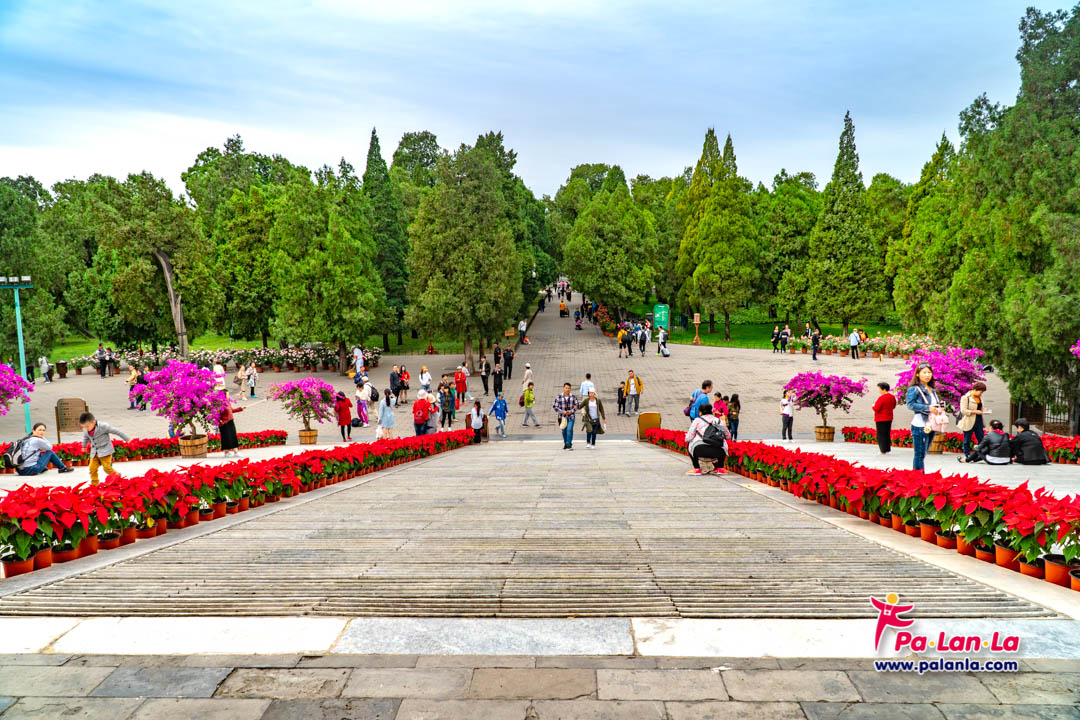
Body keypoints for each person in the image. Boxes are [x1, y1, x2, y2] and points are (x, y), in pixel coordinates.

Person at [905, 363, 944, 472]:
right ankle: (919, 477)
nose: (927, 375)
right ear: (918, 374)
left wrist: (940, 407)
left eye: (929, 372)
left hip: (931, 425)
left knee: (924, 453)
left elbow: (934, 404)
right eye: (924, 372)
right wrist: (928, 408)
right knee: (919, 453)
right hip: (920, 425)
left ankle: (917, 475)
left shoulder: (932, 389)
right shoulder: (914, 389)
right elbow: (910, 405)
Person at [79, 412, 130, 485]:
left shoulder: (103, 426)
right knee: (92, 468)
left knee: (107, 468)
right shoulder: (86, 430)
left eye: (87, 426)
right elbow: (85, 437)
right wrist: (84, 446)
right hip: (94, 452)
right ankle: (94, 484)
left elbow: (116, 431)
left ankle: (117, 476)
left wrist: (126, 438)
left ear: (94, 422)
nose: (86, 429)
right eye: (84, 427)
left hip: (105, 451)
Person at [684, 405, 730, 476]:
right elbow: (728, 437)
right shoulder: (719, 421)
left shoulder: (697, 420)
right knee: (723, 443)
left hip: (699, 449)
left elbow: (689, 438)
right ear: (711, 411)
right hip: (718, 450)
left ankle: (697, 469)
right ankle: (720, 468)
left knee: (690, 443)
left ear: (700, 412)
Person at [957, 382, 987, 457]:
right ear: (975, 390)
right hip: (969, 420)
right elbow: (963, 410)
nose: (981, 394)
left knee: (981, 438)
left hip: (979, 420)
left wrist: (984, 410)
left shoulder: (980, 398)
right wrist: (975, 412)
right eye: (980, 392)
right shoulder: (966, 398)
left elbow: (980, 407)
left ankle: (980, 454)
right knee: (967, 439)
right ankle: (967, 454)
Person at [869, 381, 897, 454]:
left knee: (881, 434)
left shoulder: (881, 398)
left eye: (879, 389)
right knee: (887, 433)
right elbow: (893, 406)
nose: (879, 390)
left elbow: (876, 408)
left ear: (884, 389)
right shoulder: (892, 397)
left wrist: (873, 406)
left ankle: (883, 450)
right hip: (889, 417)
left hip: (881, 419)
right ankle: (887, 449)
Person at [553, 382, 579, 450]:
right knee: (564, 431)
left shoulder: (573, 397)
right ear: (563, 388)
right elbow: (555, 407)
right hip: (562, 417)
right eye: (566, 388)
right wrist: (562, 411)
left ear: (570, 389)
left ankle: (568, 445)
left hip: (571, 417)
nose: (567, 389)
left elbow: (577, 406)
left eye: (569, 388)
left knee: (569, 430)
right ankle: (566, 443)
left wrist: (571, 411)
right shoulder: (558, 397)